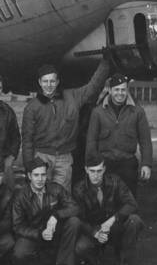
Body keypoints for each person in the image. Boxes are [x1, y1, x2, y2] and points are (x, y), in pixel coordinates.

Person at [21, 57, 110, 191]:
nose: (49, 85)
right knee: (40, 195)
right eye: (45, 81)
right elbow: (27, 139)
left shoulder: (72, 97)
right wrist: (29, 166)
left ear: (57, 82)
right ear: (40, 82)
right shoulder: (32, 107)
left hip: (64, 157)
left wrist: (106, 63)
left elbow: (92, 87)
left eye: (52, 81)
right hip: (41, 156)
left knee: (62, 196)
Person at [73, 152, 144, 265]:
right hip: (93, 229)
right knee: (81, 248)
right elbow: (78, 218)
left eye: (99, 171)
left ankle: (123, 263)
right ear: (86, 170)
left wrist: (113, 219)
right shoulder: (79, 189)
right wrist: (94, 232)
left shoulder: (115, 181)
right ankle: (95, 259)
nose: (96, 175)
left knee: (135, 220)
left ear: (104, 169)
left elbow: (132, 204)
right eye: (92, 171)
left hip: (113, 226)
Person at [11, 157, 83, 265]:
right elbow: (17, 226)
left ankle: (64, 264)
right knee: (19, 254)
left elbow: (75, 208)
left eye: (43, 175)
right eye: (36, 175)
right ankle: (44, 261)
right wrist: (39, 233)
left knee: (74, 222)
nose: (40, 179)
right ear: (29, 176)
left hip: (55, 231)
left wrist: (56, 215)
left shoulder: (56, 188)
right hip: (35, 234)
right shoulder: (20, 196)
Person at [86, 73, 152, 197]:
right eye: (116, 90)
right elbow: (91, 140)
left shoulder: (137, 112)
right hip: (105, 163)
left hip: (127, 163)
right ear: (110, 90)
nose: (120, 93)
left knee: (129, 200)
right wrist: (91, 165)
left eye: (123, 90)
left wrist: (146, 164)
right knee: (105, 200)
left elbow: (145, 140)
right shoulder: (98, 112)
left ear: (127, 90)